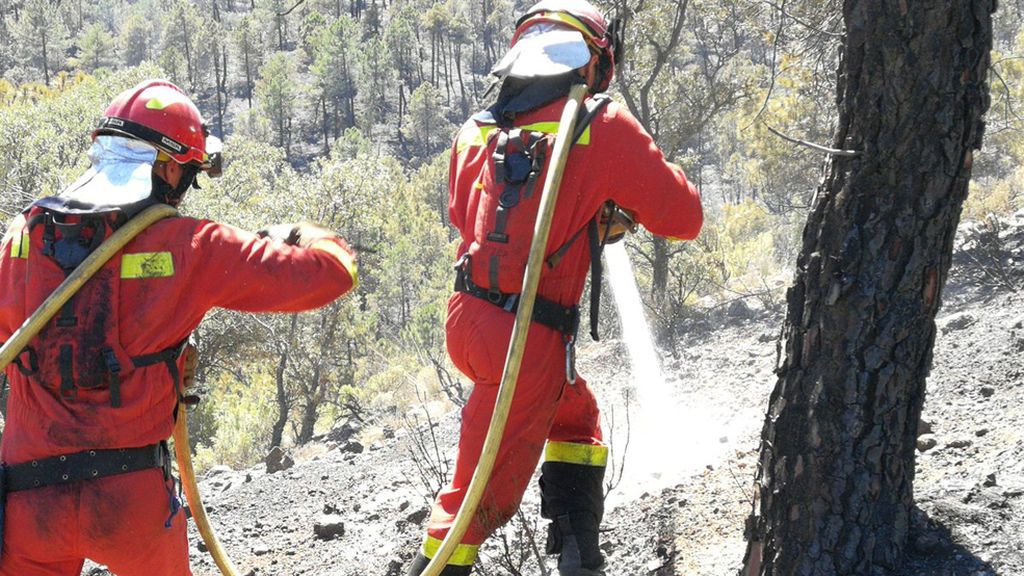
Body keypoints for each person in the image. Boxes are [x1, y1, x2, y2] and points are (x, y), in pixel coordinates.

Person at [0, 79, 357, 575]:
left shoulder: (22, 236)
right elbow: (332, 274)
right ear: (167, 168)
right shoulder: (192, 248)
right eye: (190, 173)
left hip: (27, 501)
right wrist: (302, 235)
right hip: (131, 503)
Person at [404, 0, 703, 574]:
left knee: (575, 419)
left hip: (469, 320)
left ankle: (579, 553)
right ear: (591, 62)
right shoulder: (600, 125)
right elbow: (683, 218)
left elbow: (467, 216)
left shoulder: (476, 131)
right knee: (480, 498)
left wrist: (577, 210)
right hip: (528, 336)